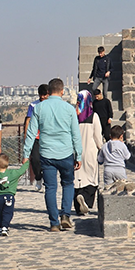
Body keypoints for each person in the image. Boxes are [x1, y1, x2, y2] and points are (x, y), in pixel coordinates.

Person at [22, 78, 83, 232]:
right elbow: (76, 134)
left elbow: (31, 132)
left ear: (48, 92)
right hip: (66, 153)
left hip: (47, 154)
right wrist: (79, 155)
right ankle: (65, 215)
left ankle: (54, 222)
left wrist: (26, 153)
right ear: (62, 91)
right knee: (68, 184)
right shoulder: (69, 109)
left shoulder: (39, 108)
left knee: (50, 188)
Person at [74, 90, 104, 215]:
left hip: (76, 152)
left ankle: (78, 203)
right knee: (91, 179)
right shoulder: (94, 116)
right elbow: (97, 136)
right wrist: (101, 148)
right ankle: (86, 201)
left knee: (77, 180)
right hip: (90, 151)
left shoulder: (74, 116)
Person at [0, 153, 28, 237]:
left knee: (0, 212)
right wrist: (27, 162)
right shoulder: (13, 173)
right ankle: (5, 227)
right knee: (8, 212)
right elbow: (21, 170)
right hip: (9, 197)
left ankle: (1, 226)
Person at [23, 85, 50, 191]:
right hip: (35, 136)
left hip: (48, 137)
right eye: (41, 95)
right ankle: (38, 177)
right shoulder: (33, 105)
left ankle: (47, 180)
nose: (43, 97)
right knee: (35, 159)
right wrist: (26, 135)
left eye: (45, 95)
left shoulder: (50, 104)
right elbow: (28, 120)